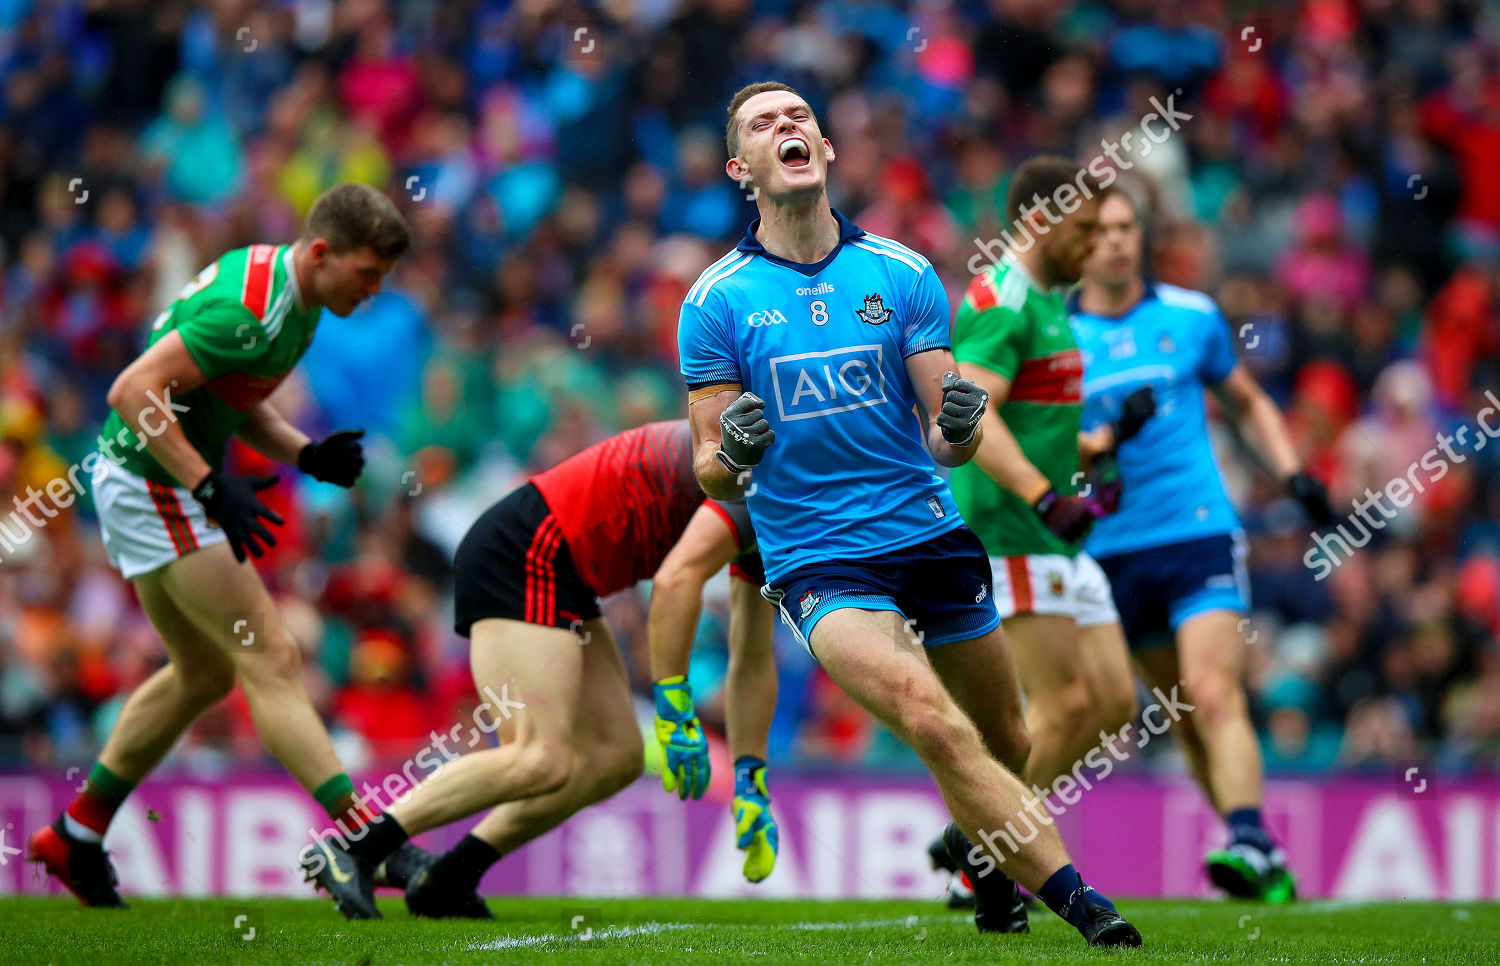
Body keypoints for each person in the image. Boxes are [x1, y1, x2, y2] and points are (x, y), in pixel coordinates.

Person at [677, 80, 1140, 948]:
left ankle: (991, 871)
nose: (789, 128)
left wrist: (961, 426)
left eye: (800, 117)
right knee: (930, 717)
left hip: (927, 531)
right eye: (765, 125)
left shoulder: (902, 273)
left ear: (827, 148)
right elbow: (711, 473)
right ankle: (1083, 904)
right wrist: (732, 451)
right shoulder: (715, 301)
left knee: (1008, 733)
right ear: (742, 167)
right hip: (818, 557)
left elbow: (946, 439)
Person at [30, 183, 412, 908]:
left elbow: (230, 392)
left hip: (144, 478)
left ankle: (74, 836)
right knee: (271, 655)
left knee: (204, 671)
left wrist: (303, 454)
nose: (372, 292)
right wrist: (208, 483)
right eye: (367, 274)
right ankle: (366, 840)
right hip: (153, 481)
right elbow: (130, 390)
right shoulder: (252, 309)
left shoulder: (293, 298)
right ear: (323, 252)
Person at [300, 420, 778, 919]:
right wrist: (674, 706)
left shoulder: (781, 498)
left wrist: (751, 778)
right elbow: (677, 581)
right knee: (539, 755)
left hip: (561, 567)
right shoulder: (767, 479)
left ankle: (447, 878)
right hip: (527, 550)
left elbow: (751, 657)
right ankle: (355, 848)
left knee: (615, 757)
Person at [1070, 188, 1336, 903]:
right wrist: (1098, 445)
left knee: (1216, 693)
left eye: (1129, 228)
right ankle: (1260, 856)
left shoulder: (1191, 316)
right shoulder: (1053, 339)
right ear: (1079, 244)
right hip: (1108, 547)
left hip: (1197, 531)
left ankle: (1247, 839)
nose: (1119, 242)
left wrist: (1291, 471)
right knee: (1185, 713)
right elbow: (1048, 451)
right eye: (1103, 231)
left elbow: (1245, 398)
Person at [935, 159, 1157, 931]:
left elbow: (1033, 419)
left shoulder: (1054, 306)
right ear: (1041, 219)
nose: (1097, 244)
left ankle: (974, 834)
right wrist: (1040, 493)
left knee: (1112, 708)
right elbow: (974, 415)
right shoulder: (1002, 299)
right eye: (1085, 229)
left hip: (1056, 533)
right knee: (1059, 706)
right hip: (1009, 531)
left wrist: (1100, 450)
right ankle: (988, 855)